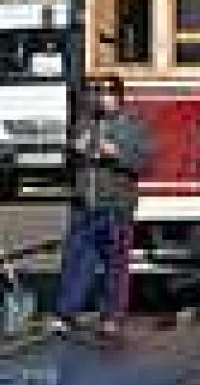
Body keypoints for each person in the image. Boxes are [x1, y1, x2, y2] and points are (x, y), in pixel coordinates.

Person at [50, 77, 151, 341]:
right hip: (85, 205)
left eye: (106, 93)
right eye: (97, 93)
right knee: (76, 262)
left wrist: (116, 153)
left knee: (115, 266)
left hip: (117, 206)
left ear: (118, 97)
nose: (100, 98)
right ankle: (65, 314)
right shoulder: (85, 122)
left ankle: (111, 318)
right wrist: (73, 150)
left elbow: (144, 163)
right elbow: (68, 160)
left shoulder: (132, 125)